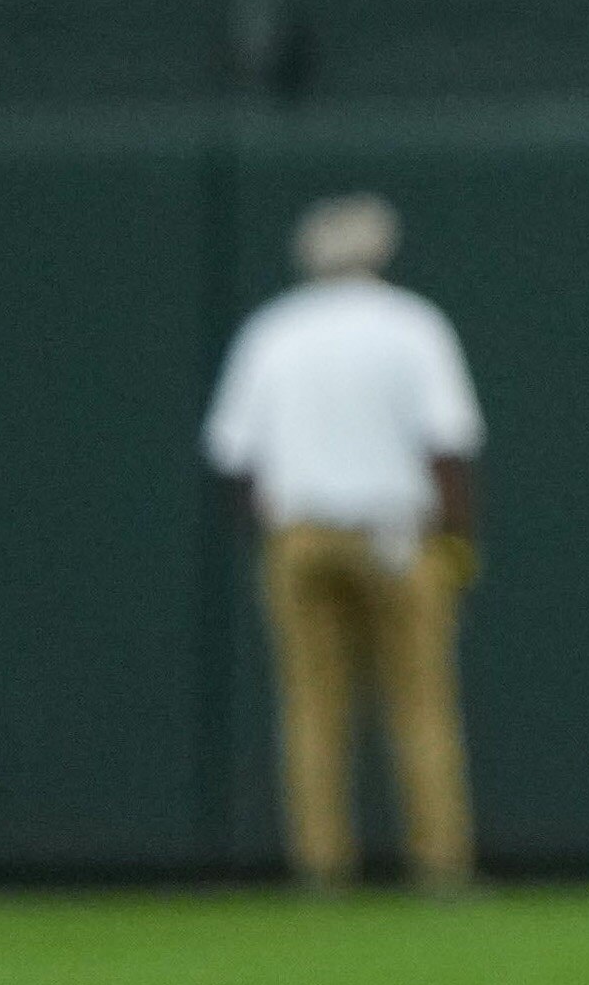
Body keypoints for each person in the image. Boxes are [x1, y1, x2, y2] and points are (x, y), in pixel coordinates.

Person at [202, 196, 482, 896]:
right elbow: (447, 443)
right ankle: (440, 866)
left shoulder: (274, 330)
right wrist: (457, 540)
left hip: (301, 532)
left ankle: (323, 866)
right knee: (419, 704)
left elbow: (234, 455)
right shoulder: (412, 325)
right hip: (397, 532)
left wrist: (273, 527)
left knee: (312, 706)